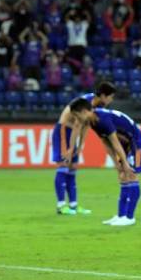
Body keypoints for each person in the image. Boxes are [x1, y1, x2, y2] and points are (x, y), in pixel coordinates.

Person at [68, 98, 141, 227]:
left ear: (84, 111)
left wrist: (126, 164)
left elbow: (115, 142)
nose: (77, 120)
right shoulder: (94, 121)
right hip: (126, 145)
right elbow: (107, 143)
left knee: (132, 175)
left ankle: (130, 217)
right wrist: (117, 164)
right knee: (123, 177)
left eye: (77, 116)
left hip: (137, 144)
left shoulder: (103, 119)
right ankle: (121, 215)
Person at [51, 81, 117, 215]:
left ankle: (74, 206)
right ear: (103, 95)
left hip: (72, 135)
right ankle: (61, 206)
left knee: (73, 168)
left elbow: (86, 126)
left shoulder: (95, 105)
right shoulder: (88, 102)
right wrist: (70, 148)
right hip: (64, 131)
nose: (111, 100)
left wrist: (80, 146)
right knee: (64, 165)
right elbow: (77, 125)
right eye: (111, 97)